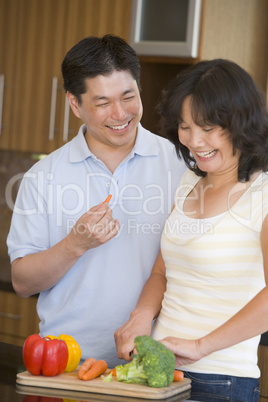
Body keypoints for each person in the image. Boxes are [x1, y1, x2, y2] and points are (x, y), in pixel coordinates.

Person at [6, 35, 186, 368]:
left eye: (128, 96)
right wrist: (75, 244)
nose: (120, 114)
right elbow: (22, 281)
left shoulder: (181, 165)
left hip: (156, 364)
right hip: (67, 363)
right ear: (75, 105)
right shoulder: (42, 176)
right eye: (102, 102)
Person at [114, 59, 268, 401]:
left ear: (241, 123)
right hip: (164, 370)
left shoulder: (263, 195)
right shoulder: (188, 183)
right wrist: (141, 317)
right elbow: (162, 270)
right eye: (185, 127)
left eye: (208, 127)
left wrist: (201, 346)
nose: (194, 142)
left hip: (222, 379)